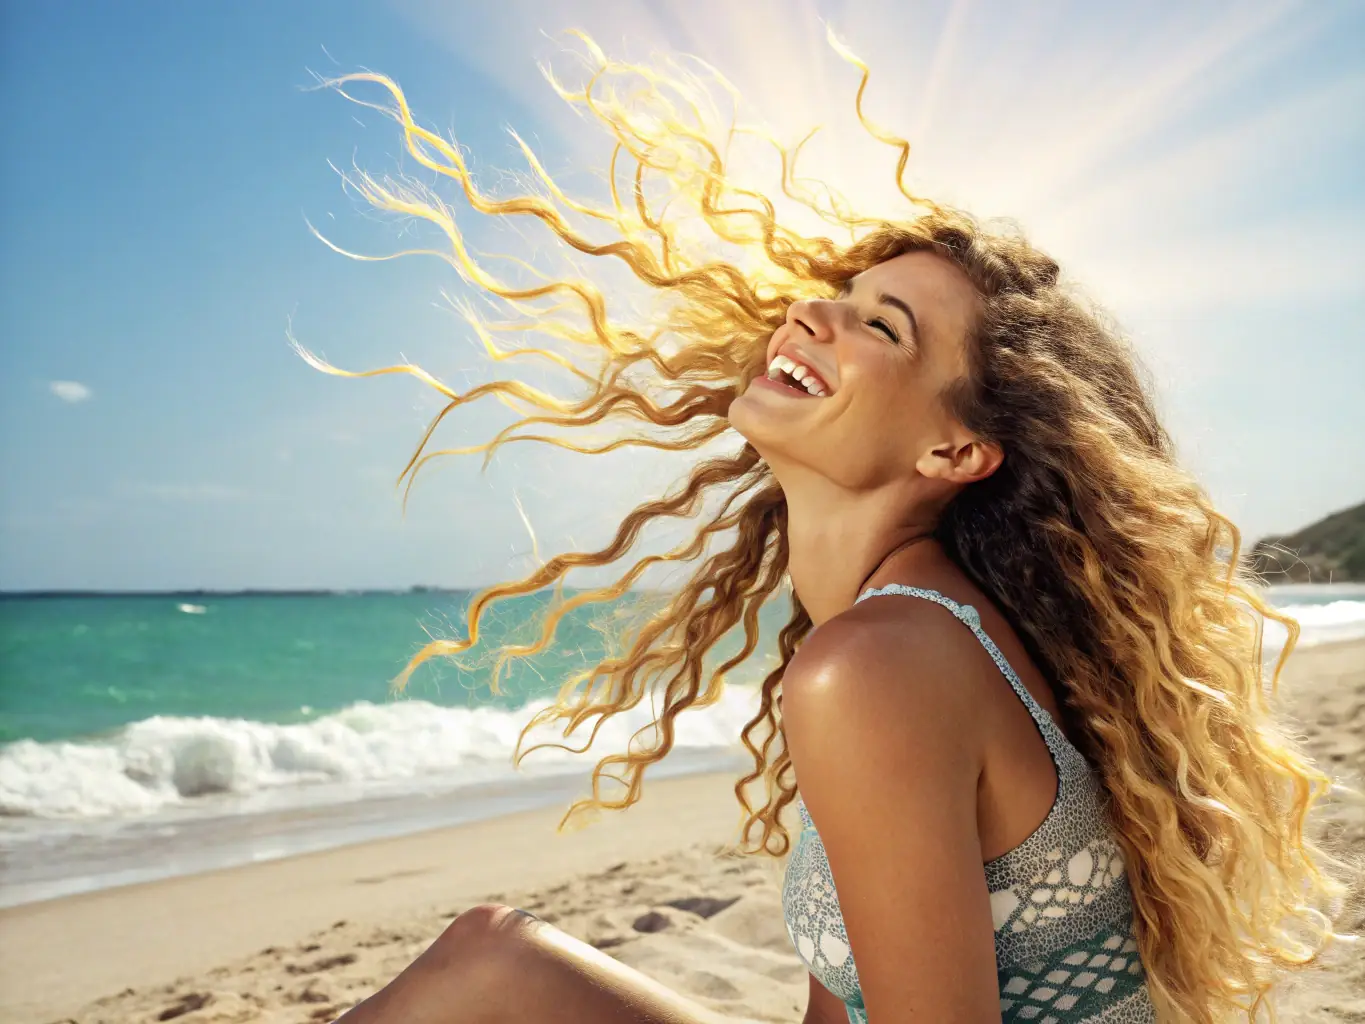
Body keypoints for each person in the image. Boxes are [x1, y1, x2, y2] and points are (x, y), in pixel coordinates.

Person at [304, 31, 1353, 1024]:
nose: (815, 316)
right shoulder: (897, 629)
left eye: (881, 325)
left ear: (954, 452)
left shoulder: (877, 665)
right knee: (494, 957)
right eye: (843, 296)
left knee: (487, 984)